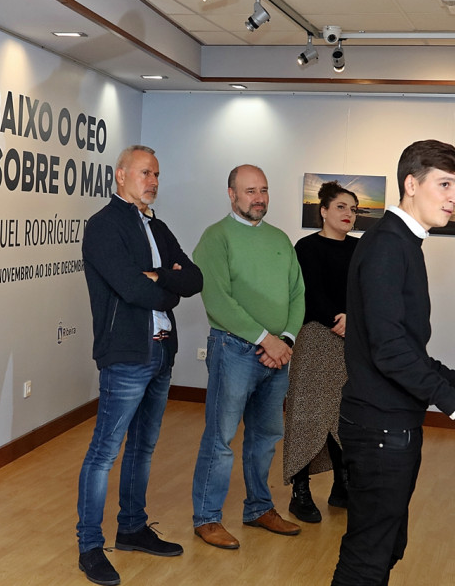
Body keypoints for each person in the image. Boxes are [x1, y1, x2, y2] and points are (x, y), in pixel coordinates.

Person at [331, 140, 455, 586]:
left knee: (387, 546)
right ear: (411, 184)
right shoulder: (388, 245)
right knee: (368, 555)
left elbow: (405, 344)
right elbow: (389, 351)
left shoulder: (403, 241)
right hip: (379, 428)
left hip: (391, 422)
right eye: (445, 184)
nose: (454, 198)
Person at [77, 145, 203, 586]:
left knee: (143, 448)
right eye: (145, 173)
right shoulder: (103, 226)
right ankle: (90, 547)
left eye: (157, 174)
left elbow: (194, 278)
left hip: (161, 350)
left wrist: (161, 276)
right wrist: (164, 285)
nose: (152, 181)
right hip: (126, 354)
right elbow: (132, 289)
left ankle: (131, 528)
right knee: (104, 452)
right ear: (120, 175)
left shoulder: (157, 226)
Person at [191, 164, 306, 550]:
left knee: (267, 436)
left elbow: (297, 294)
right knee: (221, 437)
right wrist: (265, 339)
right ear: (232, 194)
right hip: (234, 351)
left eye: (264, 190)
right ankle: (207, 518)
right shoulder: (216, 238)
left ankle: (259, 507)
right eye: (250, 191)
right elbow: (218, 300)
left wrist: (285, 339)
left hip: (278, 355)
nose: (259, 198)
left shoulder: (280, 239)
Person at [283, 181, 359, 524]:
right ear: (324, 211)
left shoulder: (361, 249)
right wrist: (336, 318)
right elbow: (307, 292)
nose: (348, 214)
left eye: (353, 209)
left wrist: (352, 318)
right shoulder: (307, 247)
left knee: (344, 416)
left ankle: (342, 486)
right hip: (315, 337)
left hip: (352, 340)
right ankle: (300, 493)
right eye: (341, 207)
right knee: (308, 414)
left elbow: (368, 292)